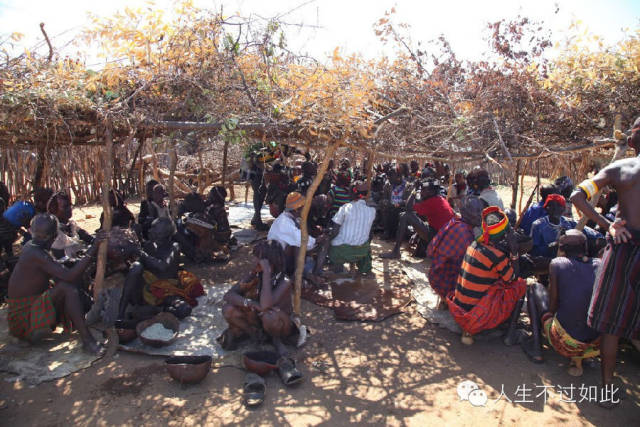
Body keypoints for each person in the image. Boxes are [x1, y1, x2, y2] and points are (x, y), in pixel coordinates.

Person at [570, 116, 640, 405]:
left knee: (610, 324)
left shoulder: (619, 169)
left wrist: (607, 225)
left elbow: (576, 195)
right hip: (625, 246)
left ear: (631, 141)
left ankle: (607, 390)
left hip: (624, 248)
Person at [6, 214, 106, 354]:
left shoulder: (32, 246)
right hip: (23, 321)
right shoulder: (35, 253)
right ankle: (87, 341)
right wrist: (93, 249)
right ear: (53, 237)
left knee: (64, 282)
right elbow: (69, 276)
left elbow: (59, 271)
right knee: (68, 289)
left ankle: (78, 321)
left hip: (27, 311)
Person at [521, 230, 601, 376]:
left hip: (566, 343)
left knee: (534, 288)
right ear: (585, 248)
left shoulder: (557, 263)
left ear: (561, 249)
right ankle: (583, 358)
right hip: (595, 344)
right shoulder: (599, 264)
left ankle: (536, 347)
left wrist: (547, 317)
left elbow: (552, 306)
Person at [447, 207, 526, 345]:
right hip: (475, 317)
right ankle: (510, 332)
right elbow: (513, 278)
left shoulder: (474, 245)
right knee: (520, 285)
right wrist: (514, 252)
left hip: (459, 310)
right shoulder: (496, 256)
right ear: (504, 235)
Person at [219, 240, 297, 356]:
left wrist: (266, 273)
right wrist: (250, 303)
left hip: (280, 324)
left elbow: (265, 306)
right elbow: (228, 295)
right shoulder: (254, 274)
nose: (254, 260)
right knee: (228, 309)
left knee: (269, 315)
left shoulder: (284, 281)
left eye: (258, 258)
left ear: (270, 262)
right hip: (258, 320)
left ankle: (276, 340)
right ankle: (254, 335)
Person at [118, 218, 202, 319]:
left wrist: (139, 252)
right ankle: (121, 313)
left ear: (163, 234)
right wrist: (130, 248)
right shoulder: (149, 246)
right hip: (147, 288)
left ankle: (158, 310)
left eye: (154, 229)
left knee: (184, 309)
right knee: (136, 267)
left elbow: (162, 266)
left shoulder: (174, 247)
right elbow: (138, 265)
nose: (150, 231)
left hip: (166, 289)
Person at [426, 196, 484, 301]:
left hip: (436, 275)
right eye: (477, 212)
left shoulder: (456, 222)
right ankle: (451, 299)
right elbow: (467, 267)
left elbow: (430, 250)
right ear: (467, 214)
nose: (481, 215)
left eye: (481, 211)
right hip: (443, 282)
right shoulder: (464, 234)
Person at [382, 179, 454, 259]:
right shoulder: (439, 199)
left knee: (405, 216)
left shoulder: (433, 202)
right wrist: (417, 233)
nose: (421, 192)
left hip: (439, 237)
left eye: (423, 190)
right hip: (442, 235)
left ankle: (396, 252)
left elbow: (408, 207)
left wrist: (414, 190)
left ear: (431, 192)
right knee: (413, 217)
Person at [267, 192, 326, 283]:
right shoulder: (285, 223)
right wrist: (317, 240)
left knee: (300, 246)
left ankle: (304, 274)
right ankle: (298, 276)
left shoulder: (287, 218)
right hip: (278, 261)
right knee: (298, 246)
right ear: (296, 210)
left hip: (278, 255)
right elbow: (303, 241)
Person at [326, 182, 376, 275]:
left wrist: (327, 240)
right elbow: (369, 234)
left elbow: (335, 232)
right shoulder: (372, 211)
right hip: (361, 251)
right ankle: (364, 268)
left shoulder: (345, 208)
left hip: (342, 251)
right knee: (365, 243)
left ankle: (337, 267)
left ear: (353, 193)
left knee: (330, 242)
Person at [47, 191, 94, 259]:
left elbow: (86, 236)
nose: (69, 208)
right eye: (65, 206)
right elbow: (62, 258)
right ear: (54, 209)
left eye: (70, 205)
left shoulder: (70, 225)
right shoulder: (53, 232)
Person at [380, 168, 408, 240]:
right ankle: (387, 231)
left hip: (402, 206)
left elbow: (409, 200)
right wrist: (386, 202)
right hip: (391, 205)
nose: (389, 180)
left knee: (398, 211)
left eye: (391, 178)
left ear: (398, 177)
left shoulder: (407, 185)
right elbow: (384, 198)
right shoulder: (387, 185)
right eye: (388, 178)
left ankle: (396, 234)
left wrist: (400, 203)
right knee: (384, 206)